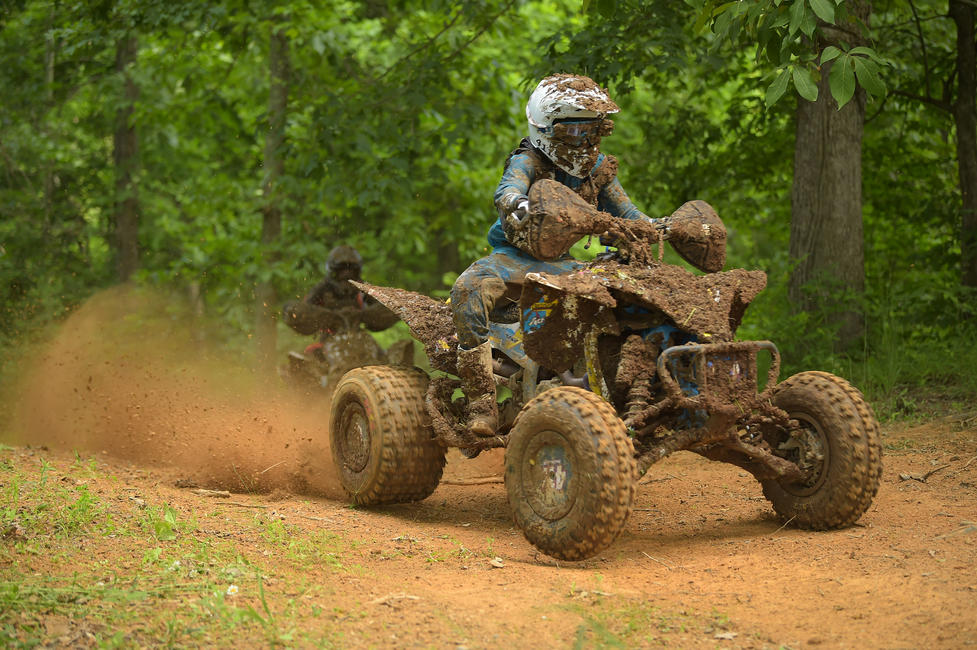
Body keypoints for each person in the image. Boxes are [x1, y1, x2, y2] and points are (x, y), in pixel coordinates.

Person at [450, 73, 663, 437]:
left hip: (566, 263)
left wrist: (656, 225)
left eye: (592, 130)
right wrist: (516, 202)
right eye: (574, 131)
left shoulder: (598, 170)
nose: (584, 140)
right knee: (468, 287)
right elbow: (508, 188)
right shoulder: (529, 161)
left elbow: (628, 212)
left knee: (635, 294)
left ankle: (629, 385)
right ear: (547, 129)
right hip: (516, 256)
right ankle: (480, 401)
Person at [282, 244, 399, 350]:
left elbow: (387, 306)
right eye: (341, 270)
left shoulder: (363, 288)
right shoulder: (322, 287)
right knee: (305, 362)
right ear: (333, 271)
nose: (346, 274)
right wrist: (327, 317)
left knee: (387, 360)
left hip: (359, 336)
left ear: (357, 272)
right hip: (328, 339)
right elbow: (304, 309)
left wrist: (363, 315)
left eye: (350, 270)